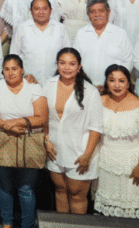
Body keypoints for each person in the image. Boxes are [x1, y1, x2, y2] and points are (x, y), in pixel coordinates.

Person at [0, 54, 47, 228]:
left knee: (26, 188)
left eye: (14, 68)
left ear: (22, 70)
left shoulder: (33, 88)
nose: (10, 73)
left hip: (29, 143)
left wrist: (18, 122)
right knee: (5, 186)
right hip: (1, 141)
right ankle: (7, 223)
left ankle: (27, 224)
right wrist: (6, 126)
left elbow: (42, 117)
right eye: (6, 69)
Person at [44, 48, 103, 214]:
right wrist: (46, 141)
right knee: (60, 192)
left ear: (79, 67)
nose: (67, 67)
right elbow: (43, 117)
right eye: (62, 63)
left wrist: (87, 155)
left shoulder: (90, 91)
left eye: (72, 63)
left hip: (80, 154)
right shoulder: (48, 85)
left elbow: (96, 128)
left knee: (77, 196)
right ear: (57, 65)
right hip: (54, 152)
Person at [93, 65, 139, 219]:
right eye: (112, 80)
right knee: (105, 213)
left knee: (130, 212)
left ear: (128, 84)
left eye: (121, 81)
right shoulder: (98, 102)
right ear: (106, 82)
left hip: (131, 164)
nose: (117, 85)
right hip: (105, 163)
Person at [10, 0, 70, 85]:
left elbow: (68, 55)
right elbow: (13, 57)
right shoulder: (22, 28)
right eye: (36, 9)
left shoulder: (60, 28)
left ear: (51, 10)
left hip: (55, 82)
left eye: (45, 8)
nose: (41, 12)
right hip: (28, 82)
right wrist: (22, 76)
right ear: (31, 11)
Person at [72, 0, 133, 86]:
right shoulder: (81, 33)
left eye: (101, 11)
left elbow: (128, 61)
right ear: (88, 14)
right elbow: (75, 60)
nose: (97, 15)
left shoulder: (120, 33)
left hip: (113, 87)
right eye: (92, 12)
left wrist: (113, 83)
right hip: (85, 85)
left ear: (108, 12)